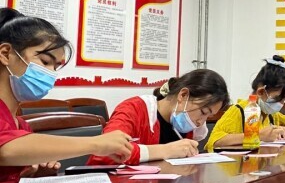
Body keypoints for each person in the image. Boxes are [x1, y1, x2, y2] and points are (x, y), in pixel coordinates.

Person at [0, 8, 132, 183]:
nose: (51, 73)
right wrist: (97, 143)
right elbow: (6, 150)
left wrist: (32, 174)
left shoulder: (21, 125)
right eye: (45, 62)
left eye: (55, 66)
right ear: (5, 54)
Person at [88, 69, 228, 165]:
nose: (200, 122)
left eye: (208, 116)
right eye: (203, 112)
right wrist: (166, 150)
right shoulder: (134, 109)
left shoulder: (189, 126)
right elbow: (108, 151)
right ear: (183, 95)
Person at [206, 56, 285, 151]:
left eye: (284, 100)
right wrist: (258, 135)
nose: (281, 104)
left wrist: (283, 129)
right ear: (261, 92)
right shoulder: (238, 111)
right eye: (277, 98)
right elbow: (214, 142)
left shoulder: (271, 115)